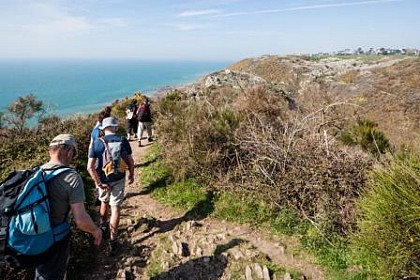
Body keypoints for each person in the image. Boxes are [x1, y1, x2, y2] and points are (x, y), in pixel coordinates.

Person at [36, 134, 102, 280]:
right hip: (55, 239)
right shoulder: (71, 177)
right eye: (74, 153)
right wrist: (95, 230)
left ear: (50, 151)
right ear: (69, 151)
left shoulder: (36, 172)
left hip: (33, 237)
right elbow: (80, 219)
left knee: (42, 273)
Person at [87, 117, 134, 256]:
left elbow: (90, 168)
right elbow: (130, 161)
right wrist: (131, 174)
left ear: (103, 128)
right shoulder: (123, 140)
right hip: (118, 178)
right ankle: (113, 241)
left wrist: (99, 183)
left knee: (104, 202)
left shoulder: (97, 143)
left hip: (103, 180)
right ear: (115, 127)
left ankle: (103, 226)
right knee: (116, 208)